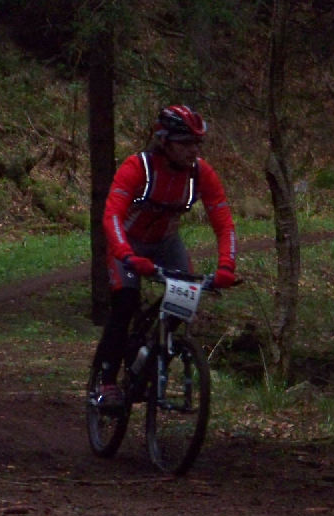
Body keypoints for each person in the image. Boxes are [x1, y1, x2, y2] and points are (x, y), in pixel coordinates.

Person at [94, 105, 238, 406]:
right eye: (185, 143)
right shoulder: (138, 168)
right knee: (125, 301)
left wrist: (226, 265)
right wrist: (127, 256)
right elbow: (112, 216)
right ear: (163, 140)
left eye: (197, 143)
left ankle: (146, 360)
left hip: (165, 243)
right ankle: (106, 382)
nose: (192, 150)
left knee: (185, 301)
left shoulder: (200, 173)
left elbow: (224, 222)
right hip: (128, 243)